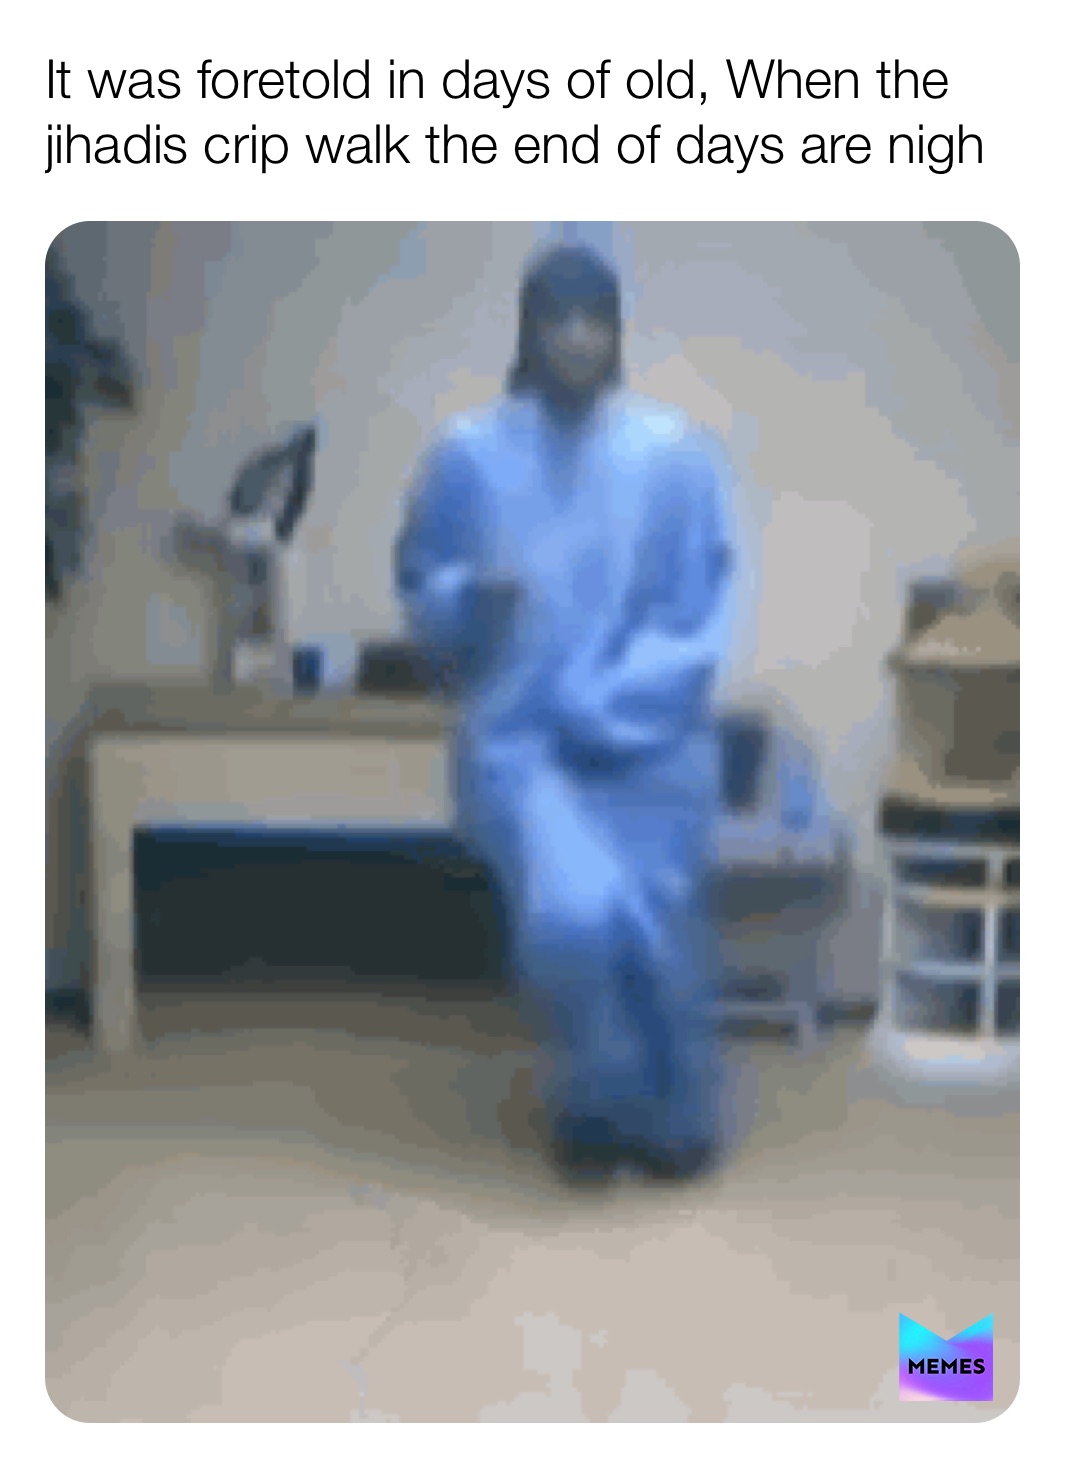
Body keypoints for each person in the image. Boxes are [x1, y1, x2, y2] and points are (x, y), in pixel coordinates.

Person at [394, 244, 733, 1183]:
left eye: (594, 317)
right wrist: (466, 600)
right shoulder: (469, 453)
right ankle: (594, 1108)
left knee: (661, 937)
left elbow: (699, 608)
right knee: (573, 919)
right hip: (525, 744)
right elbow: (421, 579)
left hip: (651, 740)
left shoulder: (672, 455)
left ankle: (677, 1116)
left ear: (618, 330)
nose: (576, 336)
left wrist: (614, 698)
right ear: (527, 329)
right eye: (558, 316)